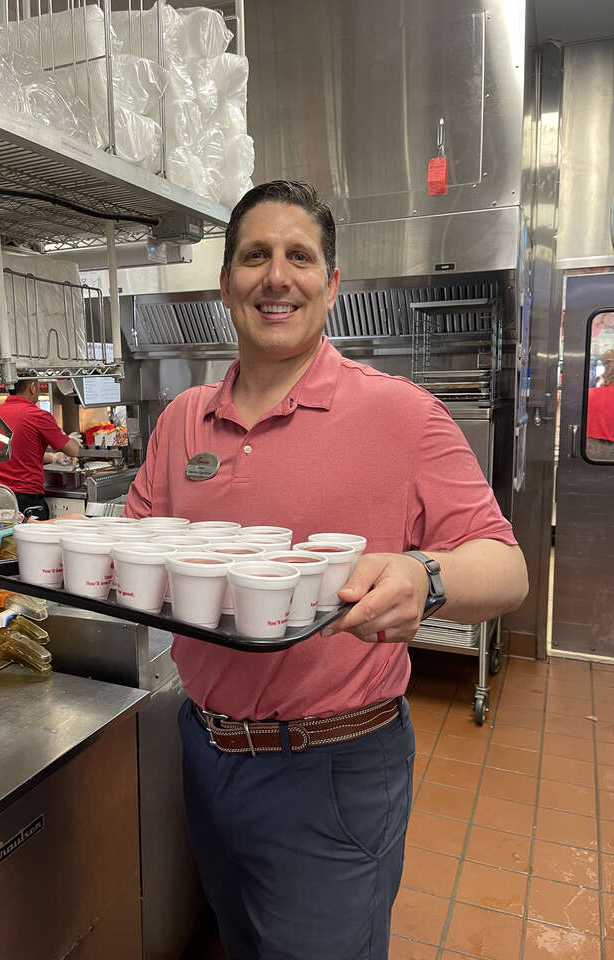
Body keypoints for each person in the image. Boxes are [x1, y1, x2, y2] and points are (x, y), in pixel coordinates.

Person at [123, 180, 527, 959]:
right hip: (205, 748)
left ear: (331, 286)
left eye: (298, 256)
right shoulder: (180, 420)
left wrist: (424, 577)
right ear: (227, 284)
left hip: (333, 765)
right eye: (255, 257)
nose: (276, 277)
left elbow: (505, 567)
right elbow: (142, 541)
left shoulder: (400, 414)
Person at [0, 378, 81, 519]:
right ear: (33, 387)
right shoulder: (37, 415)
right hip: (23, 498)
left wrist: (53, 457)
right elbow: (73, 450)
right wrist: (73, 440)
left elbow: (14, 451)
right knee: (29, 540)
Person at [586, 348, 614, 460]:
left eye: (608, 362)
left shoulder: (591, 393)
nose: (607, 366)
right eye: (604, 363)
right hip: (592, 444)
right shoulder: (594, 387)